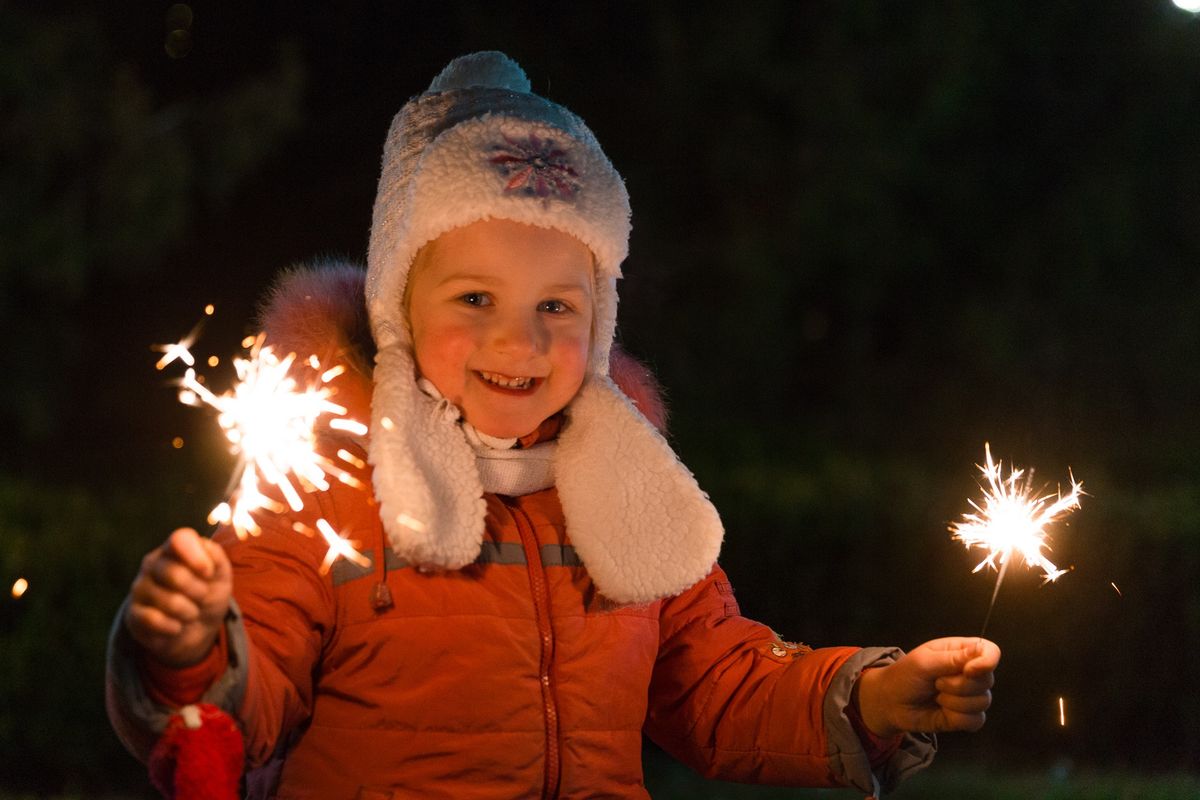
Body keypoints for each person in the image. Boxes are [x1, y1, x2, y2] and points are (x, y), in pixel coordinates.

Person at [107, 51, 999, 799]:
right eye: (475, 298)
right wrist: (191, 650)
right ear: (397, 305)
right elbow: (250, 690)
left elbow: (717, 684)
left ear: (600, 321)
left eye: (556, 306)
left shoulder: (620, 486)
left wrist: (872, 697)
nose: (519, 340)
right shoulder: (328, 481)